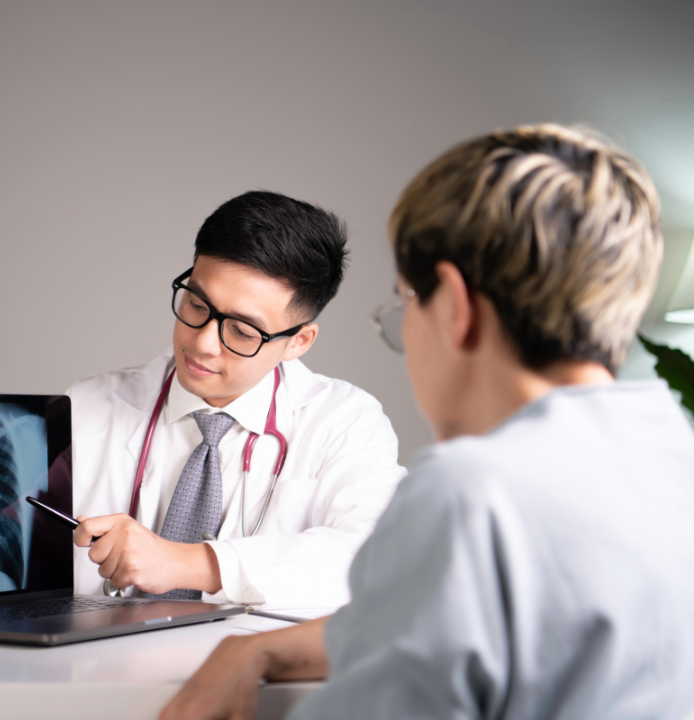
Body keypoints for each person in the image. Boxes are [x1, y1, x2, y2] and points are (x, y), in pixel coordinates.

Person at [160, 125, 694, 719]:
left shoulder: (472, 491)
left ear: (457, 309)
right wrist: (258, 651)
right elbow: (423, 625)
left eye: (407, 302)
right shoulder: (671, 451)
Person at [67, 191, 406, 607]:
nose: (203, 343)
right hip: (96, 666)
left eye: (243, 332)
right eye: (196, 304)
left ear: (299, 341)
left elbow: (376, 558)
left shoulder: (345, 422)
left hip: (254, 670)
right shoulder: (82, 408)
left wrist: (190, 564)